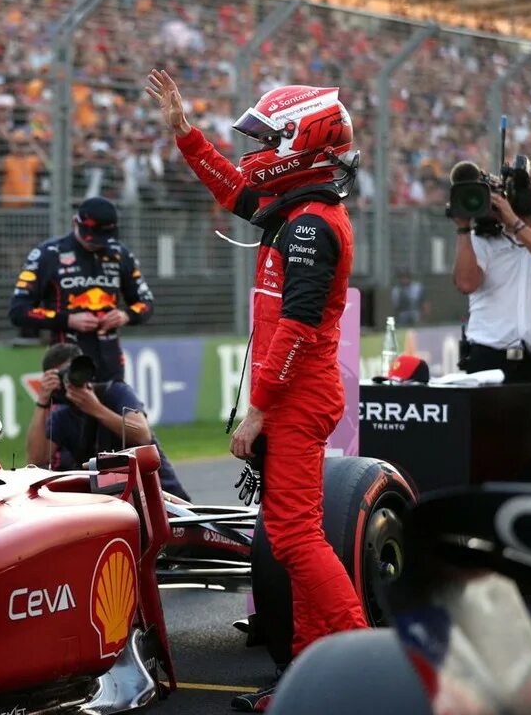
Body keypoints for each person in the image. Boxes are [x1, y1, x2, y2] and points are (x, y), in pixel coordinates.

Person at [146, 69, 364, 711]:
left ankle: (364, 663)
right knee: (291, 535)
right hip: (296, 390)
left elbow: (295, 329)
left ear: (303, 142)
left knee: (294, 538)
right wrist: (186, 135)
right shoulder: (297, 211)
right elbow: (236, 190)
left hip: (296, 394)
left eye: (270, 138)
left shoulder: (311, 224)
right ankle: (307, 676)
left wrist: (258, 409)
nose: (258, 149)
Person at [452, 158, 531, 480]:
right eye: (520, 185)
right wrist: (463, 228)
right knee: (484, 456)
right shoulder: (484, 239)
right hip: (487, 363)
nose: (526, 192)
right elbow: (466, 283)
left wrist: (515, 224)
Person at [8, 196, 154, 384]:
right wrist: (67, 320)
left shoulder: (120, 254)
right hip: (66, 365)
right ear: (74, 222)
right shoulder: (47, 254)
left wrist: (126, 315)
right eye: (91, 237)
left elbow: (146, 303)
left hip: (111, 366)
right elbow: (18, 311)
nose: (96, 244)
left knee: (125, 412)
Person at [26, 343, 190, 501]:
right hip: (117, 500)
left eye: (74, 370)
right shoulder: (62, 416)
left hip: (161, 494)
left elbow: (142, 435)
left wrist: (95, 409)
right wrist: (42, 401)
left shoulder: (116, 392)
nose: (71, 378)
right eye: (62, 375)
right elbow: (37, 460)